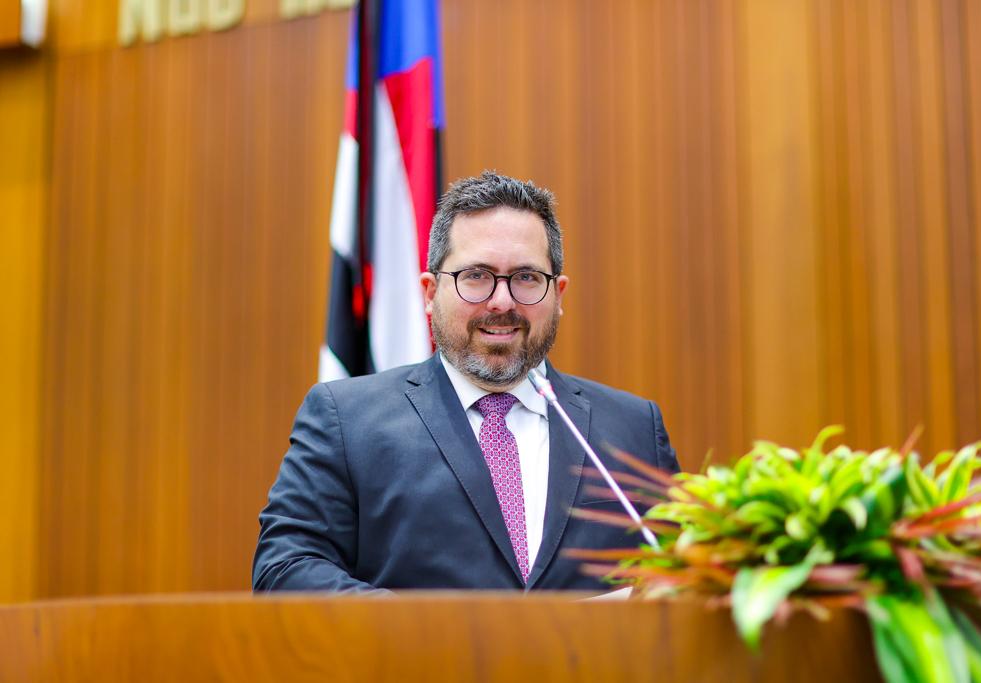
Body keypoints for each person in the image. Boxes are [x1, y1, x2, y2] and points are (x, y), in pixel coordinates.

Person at [253, 172, 678, 593]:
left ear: (558, 295)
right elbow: (284, 569)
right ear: (429, 292)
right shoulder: (346, 419)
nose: (502, 301)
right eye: (476, 275)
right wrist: (439, 633)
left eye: (527, 278)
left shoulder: (635, 427)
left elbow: (687, 571)